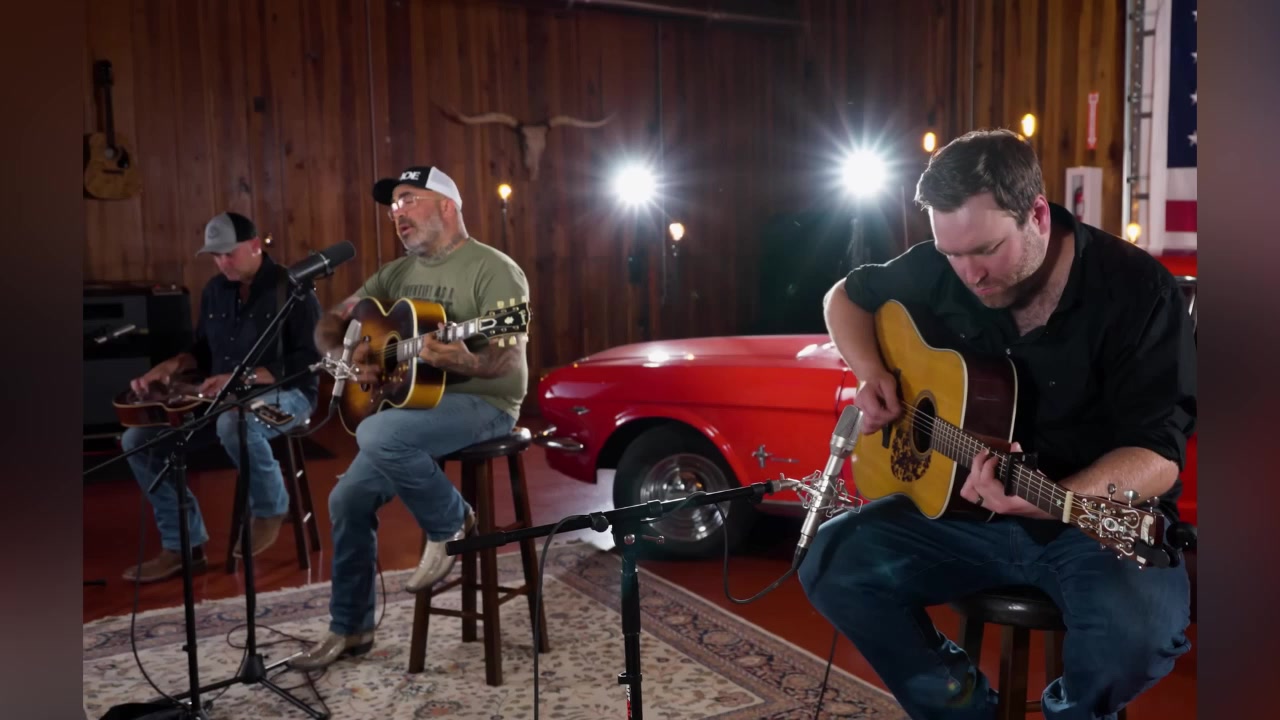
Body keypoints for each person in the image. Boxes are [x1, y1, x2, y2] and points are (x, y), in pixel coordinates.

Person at [798, 129, 1196, 719]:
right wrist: (872, 371)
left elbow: (1158, 453)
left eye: (985, 250)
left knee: (1135, 637)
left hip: (1087, 523)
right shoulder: (942, 265)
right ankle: (965, 711)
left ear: (1037, 214)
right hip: (961, 519)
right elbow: (844, 297)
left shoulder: (1137, 291)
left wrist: (1059, 499)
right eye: (951, 253)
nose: (968, 274)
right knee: (831, 563)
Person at [290, 166, 529, 670]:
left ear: (447, 205)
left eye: (408, 200)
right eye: (393, 205)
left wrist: (466, 361)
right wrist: (347, 355)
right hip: (416, 404)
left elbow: (507, 359)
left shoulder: (495, 269)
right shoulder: (394, 275)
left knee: (377, 431)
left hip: (485, 402)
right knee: (346, 499)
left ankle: (451, 522)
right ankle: (350, 628)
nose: (396, 213)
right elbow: (333, 320)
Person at [121, 211, 322, 583]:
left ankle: (271, 508)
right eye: (215, 255)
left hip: (289, 395)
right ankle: (184, 546)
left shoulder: (293, 288)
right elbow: (203, 349)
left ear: (255, 245)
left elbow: (311, 360)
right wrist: (170, 366)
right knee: (136, 441)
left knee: (235, 421)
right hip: (222, 398)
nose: (222, 262)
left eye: (229, 253)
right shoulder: (216, 289)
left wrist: (242, 377)